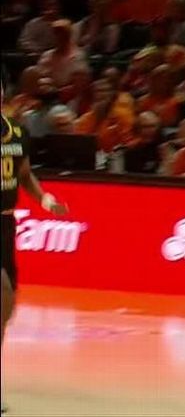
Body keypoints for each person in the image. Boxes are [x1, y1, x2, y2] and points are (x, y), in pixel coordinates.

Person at [3, 89, 70, 416]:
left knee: (6, 309)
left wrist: (45, 200)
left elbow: (24, 175)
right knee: (1, 292)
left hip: (5, 225)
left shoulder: (17, 132)